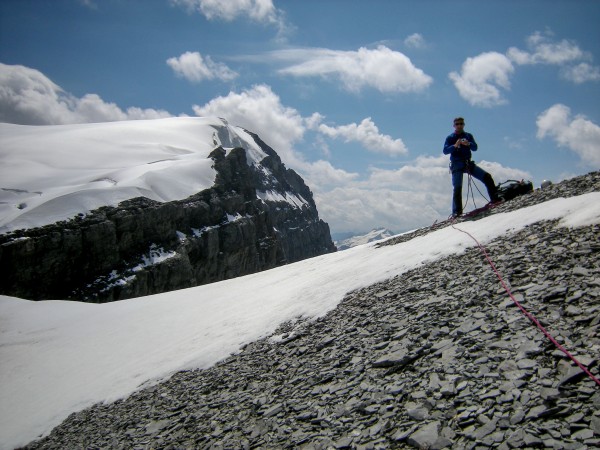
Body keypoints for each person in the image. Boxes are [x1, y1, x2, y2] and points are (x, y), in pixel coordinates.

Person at [443, 117, 499, 217]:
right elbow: (445, 151)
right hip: (457, 164)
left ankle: (495, 199)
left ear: (464, 125)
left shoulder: (468, 136)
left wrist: (468, 143)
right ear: (454, 126)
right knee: (457, 187)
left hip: (468, 163)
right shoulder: (450, 137)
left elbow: (475, 147)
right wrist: (455, 146)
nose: (459, 125)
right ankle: (457, 212)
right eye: (457, 124)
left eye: (461, 124)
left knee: (487, 177)